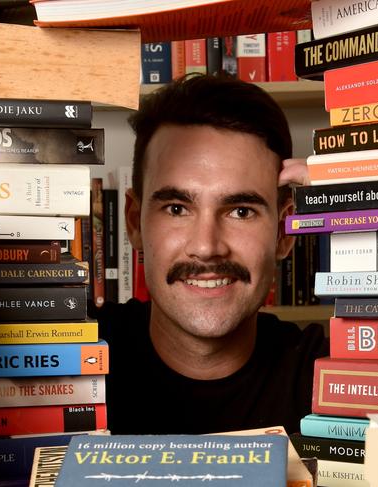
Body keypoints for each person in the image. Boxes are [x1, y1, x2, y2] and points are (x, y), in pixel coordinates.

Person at [97, 74, 328, 435]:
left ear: (285, 232)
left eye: (240, 211)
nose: (206, 246)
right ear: (133, 222)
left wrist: (368, 199)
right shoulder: (68, 359)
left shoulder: (332, 375)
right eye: (176, 209)